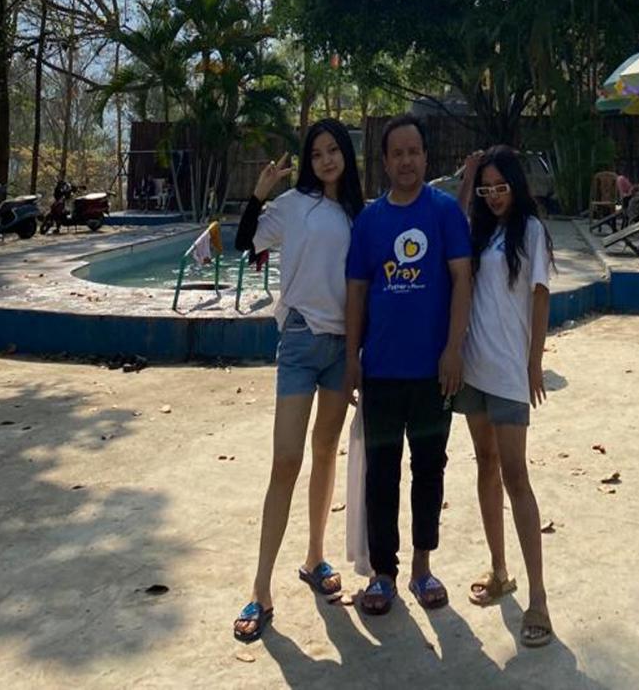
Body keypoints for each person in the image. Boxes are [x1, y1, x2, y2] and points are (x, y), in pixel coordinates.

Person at [232, 119, 364, 644]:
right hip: (301, 341)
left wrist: (360, 353)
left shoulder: (357, 213)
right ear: (308, 162)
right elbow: (244, 241)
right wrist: (259, 193)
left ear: (346, 155)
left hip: (342, 348)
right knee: (286, 460)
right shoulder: (292, 205)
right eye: (317, 153)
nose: (326, 159)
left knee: (326, 451)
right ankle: (261, 589)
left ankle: (315, 557)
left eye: (334, 150)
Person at [344, 113, 472, 617]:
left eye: (413, 152)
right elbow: (357, 292)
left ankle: (422, 566)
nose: (406, 161)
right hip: (380, 370)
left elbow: (462, 281)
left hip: (432, 372)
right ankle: (383, 573)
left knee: (429, 469)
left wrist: (454, 349)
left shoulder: (445, 213)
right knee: (381, 474)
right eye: (396, 153)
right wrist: (352, 357)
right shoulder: (369, 221)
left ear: (425, 156)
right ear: (384, 161)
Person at [456, 146, 555, 649]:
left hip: (509, 371)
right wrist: (468, 176)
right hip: (472, 369)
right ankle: (499, 570)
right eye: (486, 189)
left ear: (516, 186)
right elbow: (450, 227)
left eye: (501, 187)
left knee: (517, 477)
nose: (494, 196)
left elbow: (541, 297)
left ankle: (538, 598)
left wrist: (535, 361)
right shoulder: (477, 231)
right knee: (485, 464)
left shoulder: (530, 231)